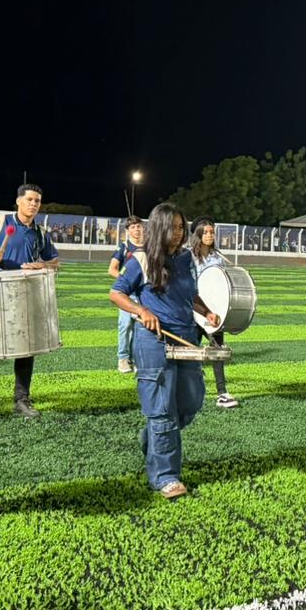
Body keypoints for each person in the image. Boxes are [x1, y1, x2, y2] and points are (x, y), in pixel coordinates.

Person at [109, 203, 220, 500]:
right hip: (154, 342)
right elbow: (116, 293)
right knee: (162, 410)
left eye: (182, 227)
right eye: (173, 228)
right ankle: (166, 477)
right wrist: (141, 310)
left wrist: (206, 311)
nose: (178, 233)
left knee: (191, 400)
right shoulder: (142, 259)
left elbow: (190, 294)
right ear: (159, 228)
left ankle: (152, 439)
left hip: (186, 339)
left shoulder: (185, 259)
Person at [0, 184, 59, 418]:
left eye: (37, 201)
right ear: (18, 201)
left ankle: (21, 399)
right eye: (29, 199)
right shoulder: (1, 222)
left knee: (27, 347)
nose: (33, 204)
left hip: (26, 290)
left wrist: (42, 265)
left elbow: (55, 262)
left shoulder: (40, 233)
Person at [189, 217, 239, 408]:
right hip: (193, 310)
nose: (210, 235)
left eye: (212, 232)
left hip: (213, 312)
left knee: (217, 351)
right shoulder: (189, 257)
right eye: (206, 232)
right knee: (191, 351)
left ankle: (222, 392)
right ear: (198, 234)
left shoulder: (218, 257)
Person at [107, 216, 145, 373]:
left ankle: (136, 359)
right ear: (128, 230)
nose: (136, 229)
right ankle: (123, 358)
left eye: (138, 226)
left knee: (140, 327)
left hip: (143, 294)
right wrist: (127, 280)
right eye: (133, 227)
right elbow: (112, 269)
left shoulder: (149, 247)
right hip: (127, 294)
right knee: (125, 325)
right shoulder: (124, 247)